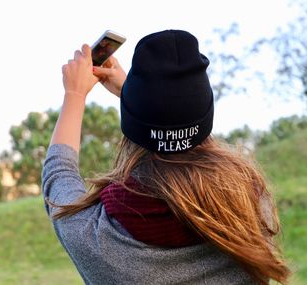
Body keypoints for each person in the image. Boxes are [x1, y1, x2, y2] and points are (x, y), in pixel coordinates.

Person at [41, 30, 290, 285]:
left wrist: (75, 94)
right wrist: (137, 99)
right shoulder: (250, 207)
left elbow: (58, 175)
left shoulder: (98, 238)